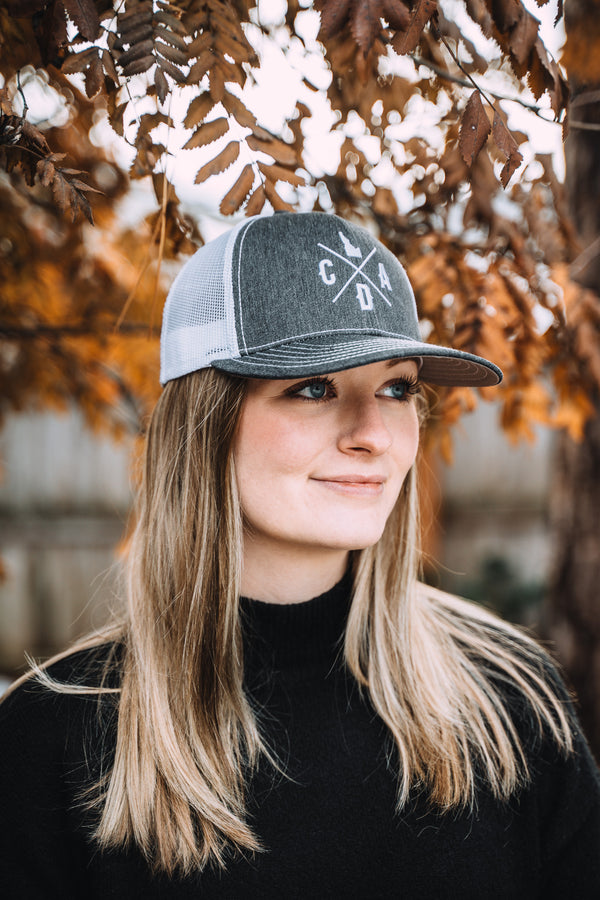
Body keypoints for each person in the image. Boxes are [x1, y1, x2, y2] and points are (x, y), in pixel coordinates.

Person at [1, 211, 599, 899]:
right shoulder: (54, 735)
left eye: (397, 387)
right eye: (313, 387)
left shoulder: (511, 699)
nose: (373, 433)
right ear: (207, 424)